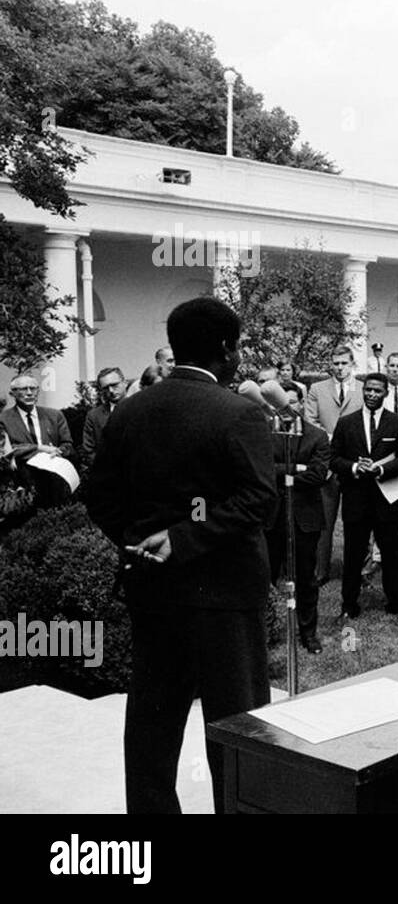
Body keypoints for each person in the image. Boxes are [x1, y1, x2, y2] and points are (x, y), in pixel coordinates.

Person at [84, 296, 277, 814]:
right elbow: (258, 499)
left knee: (152, 722)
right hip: (226, 598)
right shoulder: (241, 412)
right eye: (235, 347)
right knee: (238, 728)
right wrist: (185, 536)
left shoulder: (129, 410)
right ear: (225, 350)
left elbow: (97, 495)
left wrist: (140, 541)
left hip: (153, 593)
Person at [329, 372, 398, 621]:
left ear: (386, 393)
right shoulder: (346, 423)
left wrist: (381, 469)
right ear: (362, 391)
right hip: (356, 499)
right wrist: (355, 467)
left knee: (390, 553)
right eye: (368, 390)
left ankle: (396, 602)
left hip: (387, 499)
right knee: (353, 553)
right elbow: (334, 459)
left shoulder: (397, 423)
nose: (372, 395)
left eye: (377, 390)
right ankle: (349, 604)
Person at [264, 382, 331, 655]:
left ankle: (308, 632)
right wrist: (296, 468)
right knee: (266, 576)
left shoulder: (317, 436)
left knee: (306, 578)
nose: (288, 409)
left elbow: (317, 476)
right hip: (271, 517)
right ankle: (265, 632)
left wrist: (284, 474)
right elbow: (263, 471)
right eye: (283, 403)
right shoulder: (266, 434)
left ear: (302, 403)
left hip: (305, 518)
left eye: (293, 402)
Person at [304, 346, 363, 586]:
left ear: (352, 364)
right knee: (325, 521)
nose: (339, 368)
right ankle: (320, 570)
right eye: (336, 363)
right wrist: (330, 438)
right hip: (326, 463)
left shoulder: (362, 389)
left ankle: (359, 570)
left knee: (357, 521)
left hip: (354, 463)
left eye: (344, 363)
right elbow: (310, 420)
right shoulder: (317, 389)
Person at [1, 373, 76, 507]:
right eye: (24, 389)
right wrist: (39, 448)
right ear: (12, 393)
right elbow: (8, 450)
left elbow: (68, 445)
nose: (29, 393)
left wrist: (59, 451)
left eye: (33, 388)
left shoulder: (55, 415)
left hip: (55, 477)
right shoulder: (4, 419)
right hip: (22, 481)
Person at [80, 366, 128, 469]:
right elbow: (88, 450)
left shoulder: (140, 408)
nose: (111, 390)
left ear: (125, 383)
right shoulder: (94, 416)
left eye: (114, 385)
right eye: (105, 388)